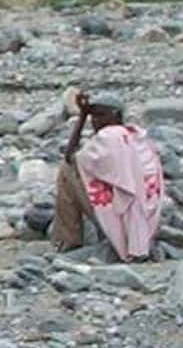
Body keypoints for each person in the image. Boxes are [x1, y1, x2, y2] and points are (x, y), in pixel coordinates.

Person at [50, 93, 166, 260]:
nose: (95, 121)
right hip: (146, 214)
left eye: (100, 115)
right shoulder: (137, 135)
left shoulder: (109, 136)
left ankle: (68, 241)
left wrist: (82, 117)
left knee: (67, 171)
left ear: (115, 115)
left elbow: (70, 156)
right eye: (93, 116)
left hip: (123, 211)